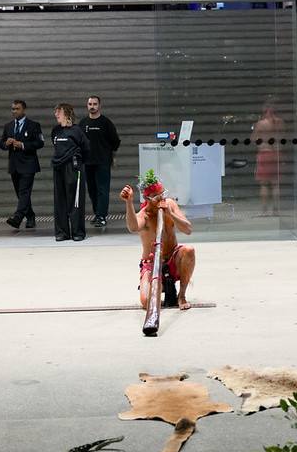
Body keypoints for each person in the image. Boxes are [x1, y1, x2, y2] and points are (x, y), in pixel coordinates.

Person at [120, 173, 195, 311]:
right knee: (146, 301)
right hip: (152, 263)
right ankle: (158, 285)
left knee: (189, 250)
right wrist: (129, 203)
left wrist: (170, 214)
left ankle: (182, 295)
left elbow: (188, 229)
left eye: (162, 194)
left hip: (172, 258)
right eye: (156, 196)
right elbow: (133, 227)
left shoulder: (170, 204)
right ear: (147, 198)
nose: (161, 198)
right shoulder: (144, 215)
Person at [0, 99, 44, 229]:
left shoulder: (34, 125)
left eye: (17, 109)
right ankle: (30, 216)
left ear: (24, 110)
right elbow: (1, 143)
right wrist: (6, 144)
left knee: (24, 192)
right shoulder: (8, 126)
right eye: (13, 109)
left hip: (28, 165)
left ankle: (17, 218)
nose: (14, 111)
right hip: (14, 165)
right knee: (20, 194)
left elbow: (40, 143)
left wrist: (23, 145)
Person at [78, 96, 121, 227]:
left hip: (102, 161)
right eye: (90, 104)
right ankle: (97, 213)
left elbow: (115, 141)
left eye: (95, 104)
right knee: (92, 189)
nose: (92, 106)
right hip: (87, 162)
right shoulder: (83, 123)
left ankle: (102, 216)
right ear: (87, 106)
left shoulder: (106, 123)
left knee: (102, 189)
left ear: (99, 106)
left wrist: (112, 155)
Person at [51, 103, 90, 242]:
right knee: (59, 200)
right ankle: (62, 232)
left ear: (66, 113)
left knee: (75, 200)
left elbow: (86, 148)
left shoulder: (76, 131)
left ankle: (77, 232)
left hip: (73, 168)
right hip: (58, 168)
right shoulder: (55, 130)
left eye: (58, 111)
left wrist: (78, 163)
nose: (56, 114)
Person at [251, 103, 285, 216]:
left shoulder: (260, 124)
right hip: (277, 153)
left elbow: (253, 139)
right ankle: (276, 210)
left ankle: (264, 211)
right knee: (276, 184)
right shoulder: (280, 122)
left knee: (264, 184)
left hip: (264, 153)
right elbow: (282, 136)